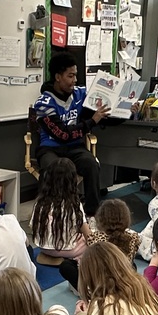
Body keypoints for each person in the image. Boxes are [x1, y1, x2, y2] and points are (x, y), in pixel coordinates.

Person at [33, 51, 110, 216]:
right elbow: (63, 134)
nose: (75, 80)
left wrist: (127, 112)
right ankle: (48, 215)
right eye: (70, 76)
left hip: (74, 147)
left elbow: (104, 117)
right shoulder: (44, 103)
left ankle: (92, 214)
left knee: (91, 164)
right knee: (54, 169)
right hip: (50, 148)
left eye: (75, 75)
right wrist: (92, 121)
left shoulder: (80, 94)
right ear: (58, 77)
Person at [58, 198, 140, 291]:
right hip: (123, 283)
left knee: (66, 266)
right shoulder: (134, 237)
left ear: (100, 220)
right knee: (131, 265)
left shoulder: (94, 238)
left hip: (99, 288)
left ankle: (86, 292)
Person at [30, 157, 89, 266]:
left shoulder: (39, 202)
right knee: (90, 240)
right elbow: (87, 234)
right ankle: (70, 258)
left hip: (43, 247)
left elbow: (33, 226)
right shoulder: (74, 204)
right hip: (68, 250)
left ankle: (48, 257)